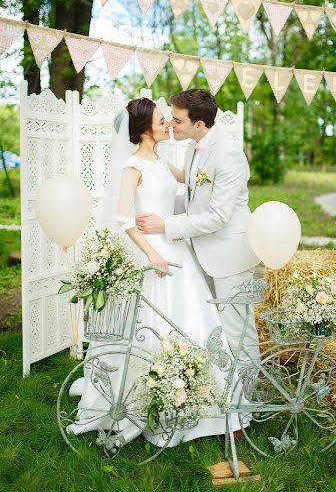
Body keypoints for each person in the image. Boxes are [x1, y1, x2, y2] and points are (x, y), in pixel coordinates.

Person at [68, 97, 242, 447]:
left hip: (176, 245)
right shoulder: (133, 166)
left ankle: (204, 398)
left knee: (196, 321)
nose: (168, 125)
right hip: (154, 254)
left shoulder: (163, 162)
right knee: (155, 327)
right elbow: (122, 219)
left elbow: (193, 184)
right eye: (163, 121)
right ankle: (155, 397)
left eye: (170, 120)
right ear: (145, 128)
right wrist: (151, 255)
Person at [136, 89, 260, 371]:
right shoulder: (195, 146)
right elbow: (193, 198)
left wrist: (166, 225)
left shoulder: (229, 155)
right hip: (203, 251)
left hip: (230, 254)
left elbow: (216, 216)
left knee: (237, 328)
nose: (170, 124)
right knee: (215, 325)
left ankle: (248, 403)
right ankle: (225, 388)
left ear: (199, 124)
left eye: (177, 120)